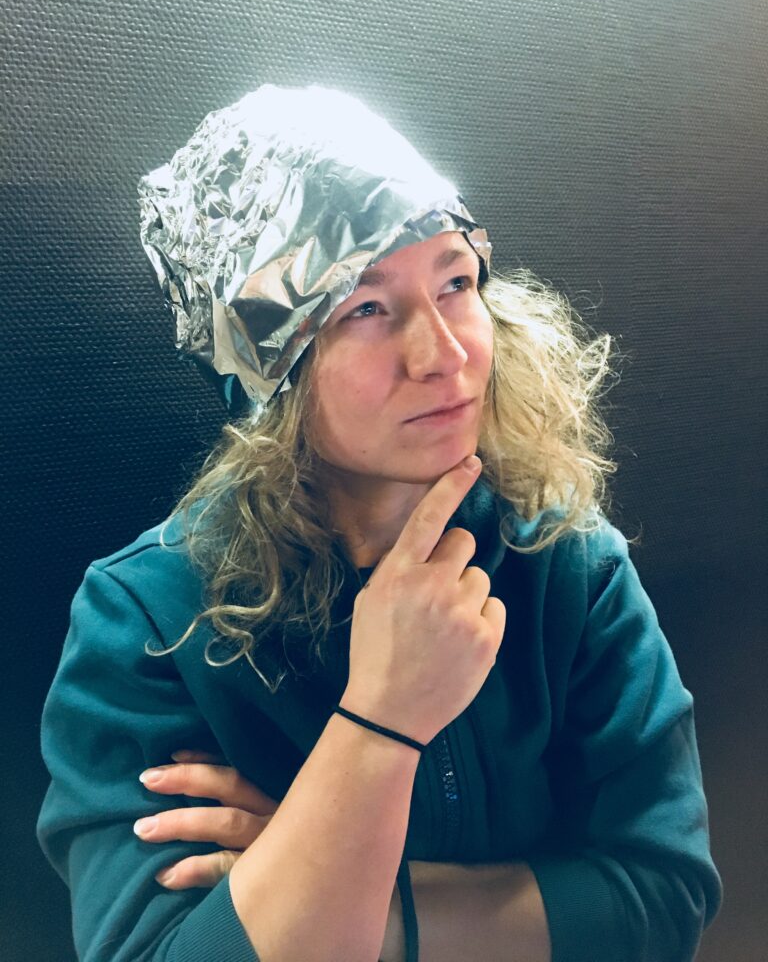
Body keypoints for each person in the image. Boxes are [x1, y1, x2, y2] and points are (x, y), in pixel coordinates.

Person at [37, 84, 722, 962]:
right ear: (271, 371)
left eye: (456, 282)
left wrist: (334, 879)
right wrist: (382, 717)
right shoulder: (148, 621)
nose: (446, 353)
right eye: (364, 307)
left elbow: (662, 899)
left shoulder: (566, 560)